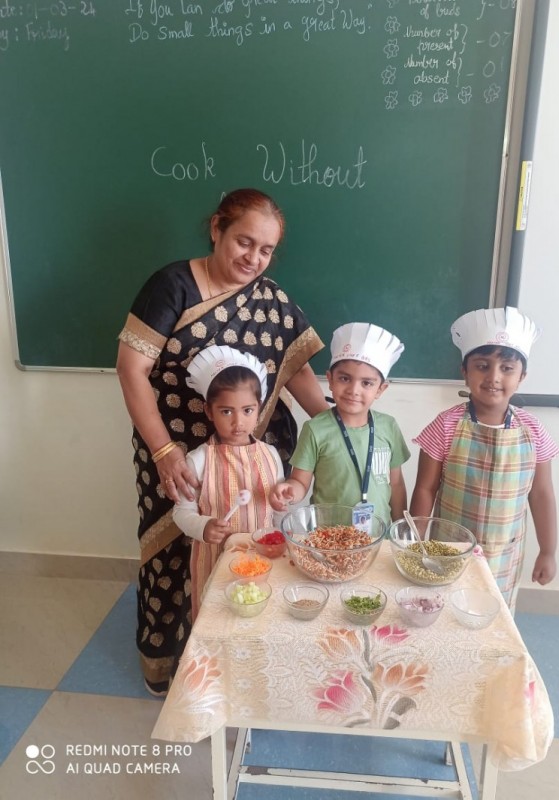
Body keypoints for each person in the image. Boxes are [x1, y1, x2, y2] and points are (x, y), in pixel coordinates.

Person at [116, 188, 327, 695]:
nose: (253, 258)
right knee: (175, 550)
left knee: (258, 551)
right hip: (174, 452)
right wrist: (164, 452)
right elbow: (131, 368)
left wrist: (334, 428)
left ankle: (250, 657)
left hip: (257, 453)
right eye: (244, 242)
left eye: (266, 249)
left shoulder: (271, 299)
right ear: (217, 229)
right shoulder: (172, 286)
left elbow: (296, 369)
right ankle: (170, 664)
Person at [410, 307, 559, 612]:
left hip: (504, 554)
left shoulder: (533, 430)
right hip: (448, 548)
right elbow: (425, 488)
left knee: (493, 614)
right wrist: (414, 543)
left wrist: (548, 551)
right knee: (445, 608)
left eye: (507, 368)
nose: (494, 377)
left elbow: (542, 493)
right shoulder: (445, 425)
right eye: (482, 366)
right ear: (465, 371)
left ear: (522, 376)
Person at [172, 345, 284, 619]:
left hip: (263, 559)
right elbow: (181, 512)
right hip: (214, 559)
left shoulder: (270, 454)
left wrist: (284, 508)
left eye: (247, 410)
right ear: (209, 411)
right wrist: (203, 526)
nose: (238, 422)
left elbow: (280, 511)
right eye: (226, 412)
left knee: (261, 614)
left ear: (259, 408)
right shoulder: (199, 459)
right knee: (218, 618)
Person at [270, 322, 410, 526]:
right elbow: (300, 481)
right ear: (330, 380)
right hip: (327, 535)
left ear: (380, 389)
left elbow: (396, 484)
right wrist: (290, 490)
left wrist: (401, 528)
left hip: (379, 535)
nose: (354, 390)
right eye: (344, 378)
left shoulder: (389, 426)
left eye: (366, 383)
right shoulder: (315, 429)